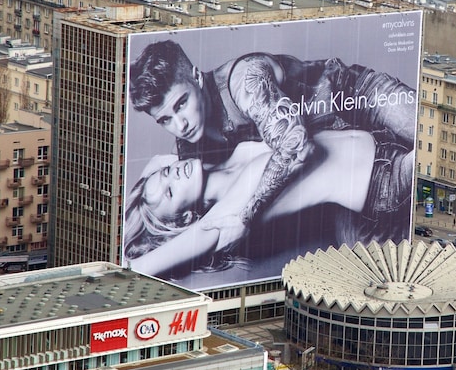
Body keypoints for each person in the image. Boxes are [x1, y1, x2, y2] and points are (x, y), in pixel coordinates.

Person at [129, 42, 415, 254]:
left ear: (196, 76)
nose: (180, 125)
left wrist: (246, 217)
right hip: (350, 166)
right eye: (165, 119)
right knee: (374, 275)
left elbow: (297, 146)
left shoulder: (243, 80)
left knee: (432, 139)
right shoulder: (190, 153)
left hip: (358, 100)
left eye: (182, 104)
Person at [124, 130, 394, 277]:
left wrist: (155, 179)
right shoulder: (223, 218)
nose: (175, 174)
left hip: (381, 143)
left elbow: (160, 159)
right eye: (170, 192)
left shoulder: (227, 157)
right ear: (183, 219)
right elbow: (146, 265)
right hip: (385, 184)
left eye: (166, 174)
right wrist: (117, 270)